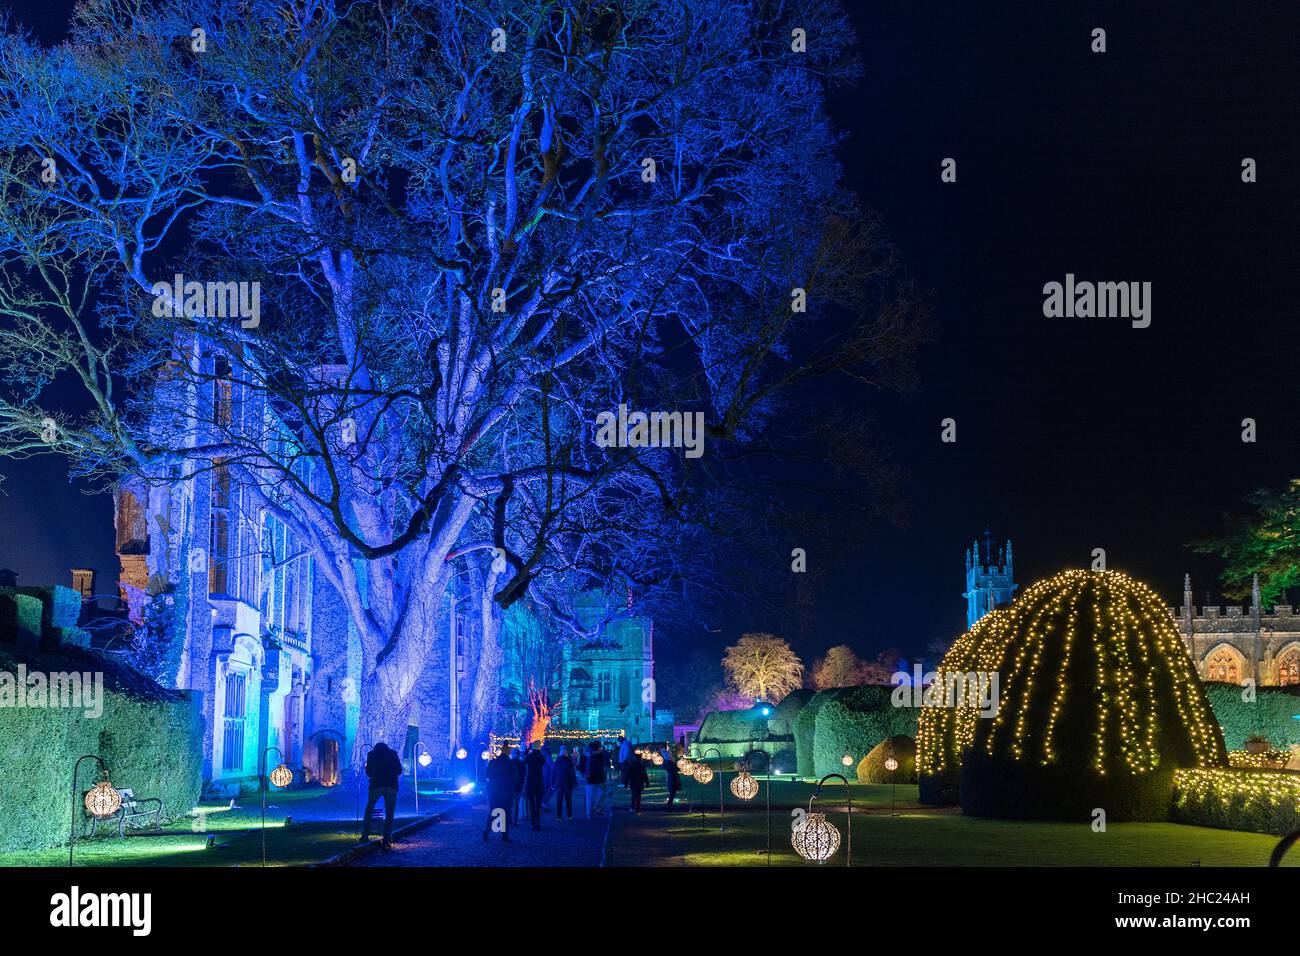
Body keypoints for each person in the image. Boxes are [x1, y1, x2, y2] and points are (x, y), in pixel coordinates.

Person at [360, 741, 403, 848]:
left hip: (376, 785)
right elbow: (399, 770)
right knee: (389, 813)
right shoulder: (393, 754)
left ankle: (365, 835)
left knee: (369, 809)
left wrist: (373, 772)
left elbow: (368, 772)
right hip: (391, 786)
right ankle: (386, 839)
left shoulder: (371, 754)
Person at [483, 746, 514, 843]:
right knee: (505, 812)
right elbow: (515, 777)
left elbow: (487, 774)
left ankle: (487, 831)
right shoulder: (510, 763)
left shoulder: (493, 762)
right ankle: (504, 835)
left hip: (493, 789)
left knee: (493, 810)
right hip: (506, 790)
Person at [523, 741, 547, 830]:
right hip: (539, 783)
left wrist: (528, 749)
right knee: (538, 805)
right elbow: (543, 760)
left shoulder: (530, 757)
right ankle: (538, 823)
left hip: (530, 783)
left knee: (532, 804)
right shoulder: (541, 757)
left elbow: (523, 760)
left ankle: (533, 824)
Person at [583, 740, 607, 818]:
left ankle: (589, 814)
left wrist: (585, 773)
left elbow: (582, 765)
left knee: (589, 797)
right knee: (602, 793)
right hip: (599, 778)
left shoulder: (586, 755)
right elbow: (600, 767)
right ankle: (596, 807)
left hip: (590, 778)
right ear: (598, 747)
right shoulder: (600, 756)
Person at [552, 745, 577, 820]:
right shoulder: (569, 762)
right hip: (568, 784)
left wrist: (552, 783)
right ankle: (569, 815)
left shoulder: (556, 762)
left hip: (559, 784)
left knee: (559, 801)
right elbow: (572, 773)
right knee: (568, 800)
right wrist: (575, 783)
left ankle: (559, 816)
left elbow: (553, 773)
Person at [509, 747, 525, 825]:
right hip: (518, 787)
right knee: (517, 805)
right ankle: (515, 821)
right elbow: (523, 776)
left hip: (511, 786)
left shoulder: (510, 763)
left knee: (510, 804)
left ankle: (510, 820)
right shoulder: (521, 763)